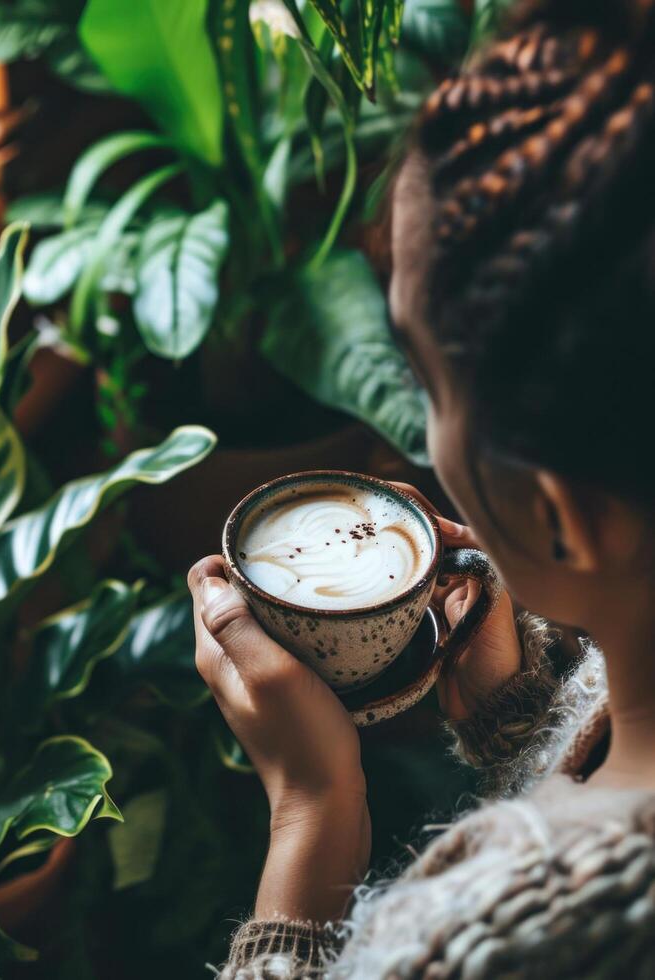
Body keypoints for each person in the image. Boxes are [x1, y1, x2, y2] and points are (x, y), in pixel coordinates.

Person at [187, 0, 655, 975]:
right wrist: (522, 711)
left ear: (560, 514)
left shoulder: (495, 933)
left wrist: (314, 816)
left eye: (425, 379)